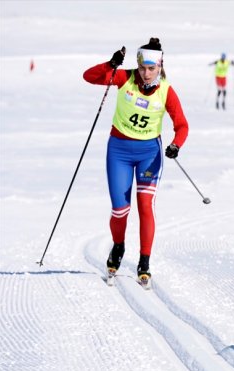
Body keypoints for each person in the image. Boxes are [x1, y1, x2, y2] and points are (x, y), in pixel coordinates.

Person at [83, 38, 189, 287]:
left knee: (144, 205)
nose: (145, 73)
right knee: (120, 209)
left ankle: (144, 261)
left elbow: (182, 125)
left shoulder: (166, 90)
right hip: (119, 151)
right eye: (142, 68)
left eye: (151, 68)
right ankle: (118, 246)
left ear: (160, 66)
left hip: (148, 154)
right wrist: (110, 65)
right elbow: (89, 76)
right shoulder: (125, 78)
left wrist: (175, 145)